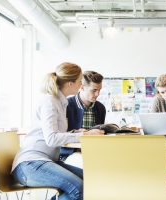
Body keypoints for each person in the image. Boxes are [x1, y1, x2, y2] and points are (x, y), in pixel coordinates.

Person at [11, 62, 104, 200]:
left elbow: (56, 133)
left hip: (46, 161)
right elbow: (52, 138)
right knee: (79, 188)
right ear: (70, 83)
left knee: (90, 180)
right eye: (79, 81)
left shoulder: (60, 102)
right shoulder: (49, 101)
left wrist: (78, 132)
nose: (81, 85)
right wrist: (82, 135)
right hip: (30, 164)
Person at [60, 71, 106, 160]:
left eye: (99, 90)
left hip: (94, 153)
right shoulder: (66, 105)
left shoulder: (101, 108)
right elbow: (58, 135)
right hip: (69, 154)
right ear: (82, 87)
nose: (97, 94)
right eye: (94, 90)